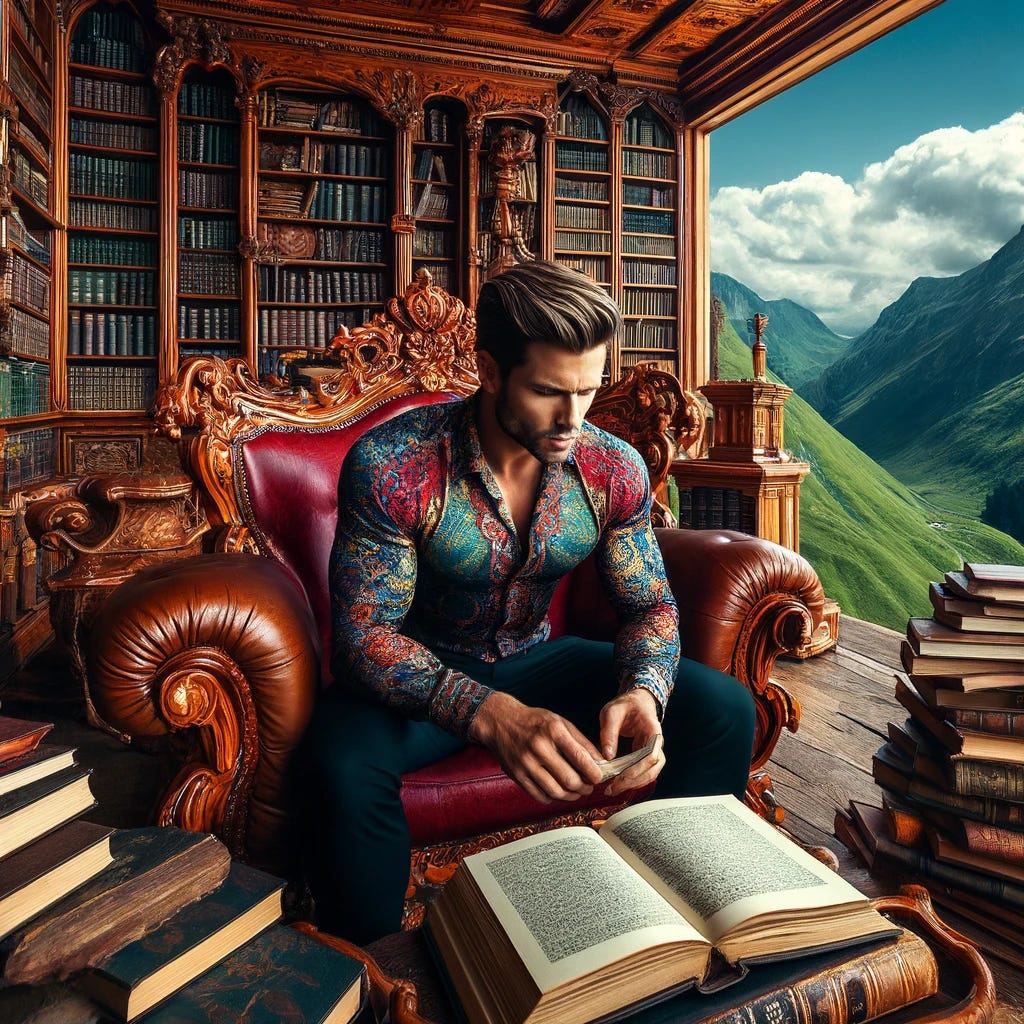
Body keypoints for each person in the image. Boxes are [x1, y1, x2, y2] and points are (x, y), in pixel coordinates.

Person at [306, 260, 755, 944]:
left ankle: (694, 921)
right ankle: (372, 973)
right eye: (550, 392)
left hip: (541, 658)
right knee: (340, 765)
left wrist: (644, 692)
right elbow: (364, 637)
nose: (574, 418)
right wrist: (489, 714)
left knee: (723, 708)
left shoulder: (612, 468)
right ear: (490, 372)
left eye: (589, 390)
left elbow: (649, 607)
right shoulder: (394, 464)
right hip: (418, 678)